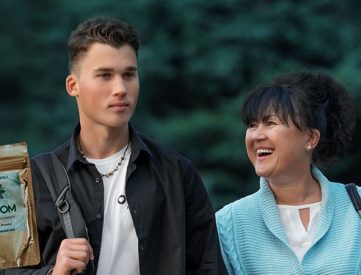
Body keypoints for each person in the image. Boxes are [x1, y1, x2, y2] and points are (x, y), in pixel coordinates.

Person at [1, 17, 226, 275]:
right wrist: (53, 273)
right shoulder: (22, 179)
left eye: (129, 74)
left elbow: (209, 267)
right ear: (73, 86)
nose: (120, 88)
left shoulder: (177, 173)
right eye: (105, 75)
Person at [216, 71, 361, 274]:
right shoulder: (228, 223)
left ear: (311, 139)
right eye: (252, 125)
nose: (257, 135)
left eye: (270, 123)